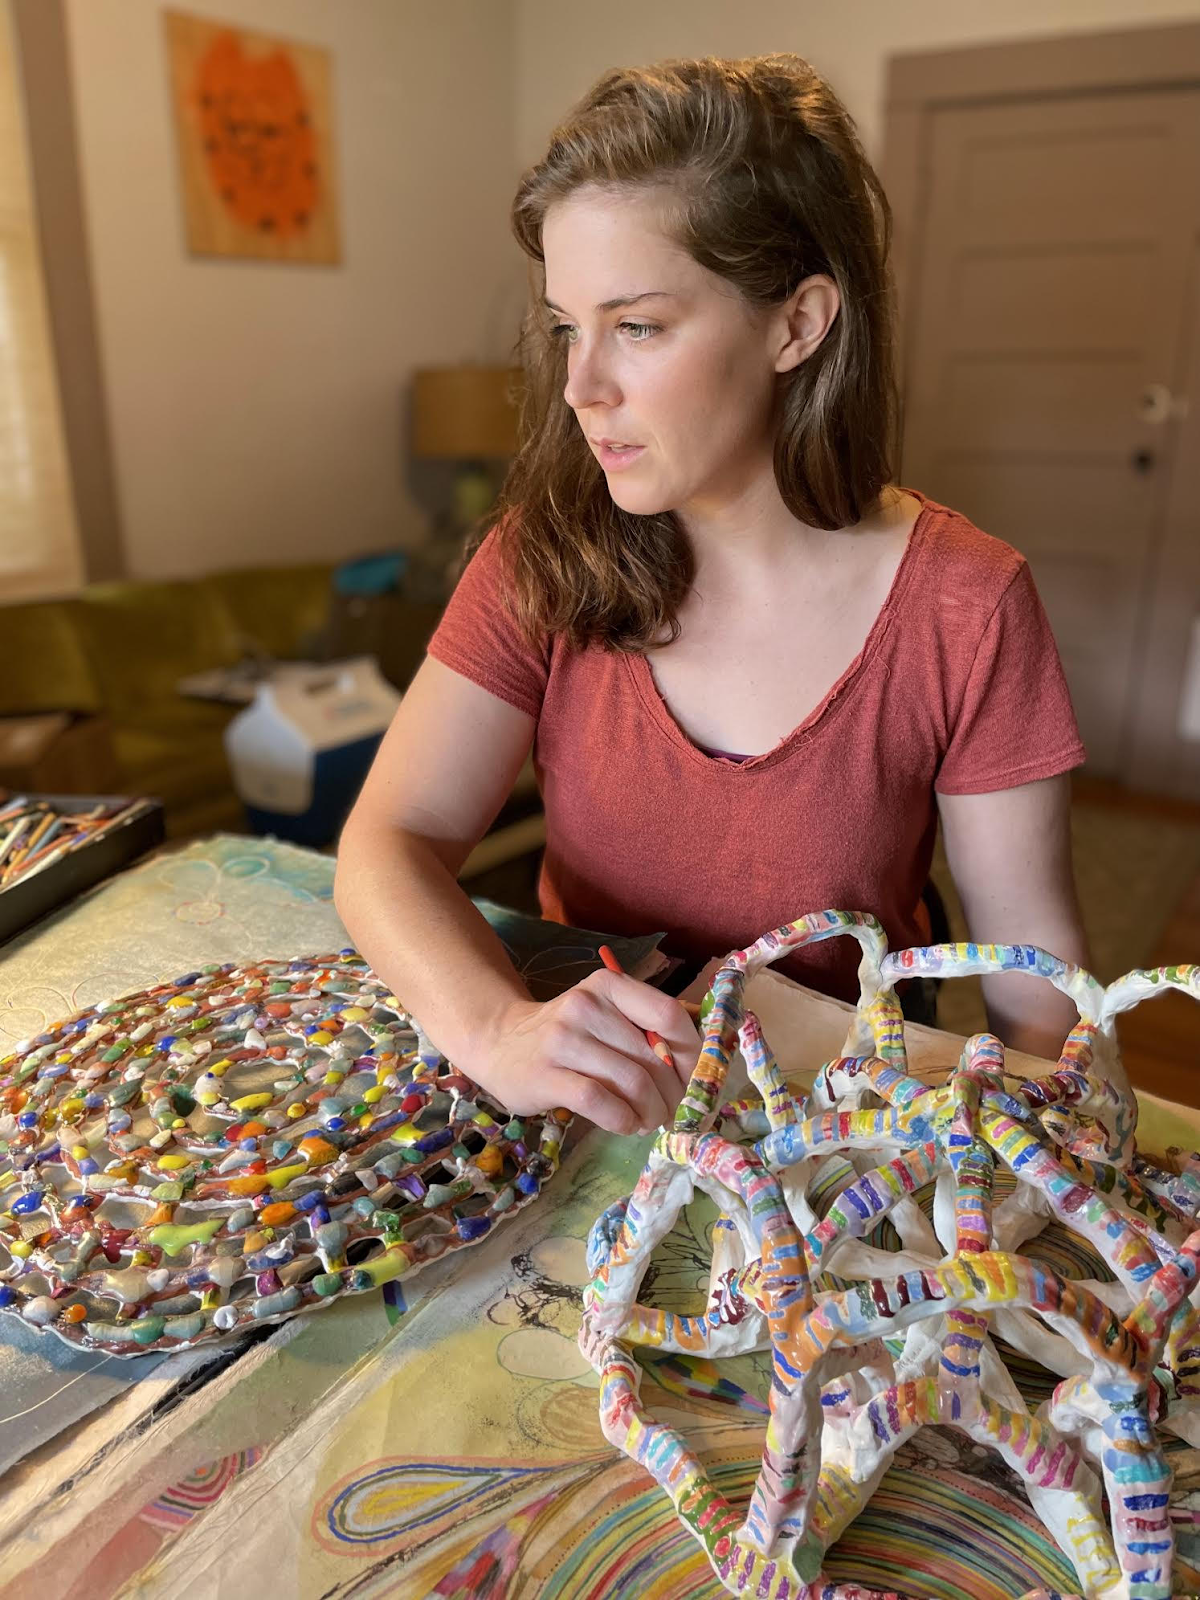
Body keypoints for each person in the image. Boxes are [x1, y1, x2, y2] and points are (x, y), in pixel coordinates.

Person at [334, 53, 1089, 1137]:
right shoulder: (539, 555)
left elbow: (1035, 986)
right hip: (588, 1099)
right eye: (566, 327)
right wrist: (495, 1027)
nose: (581, 387)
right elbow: (389, 841)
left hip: (832, 1121)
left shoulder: (967, 604)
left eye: (637, 326)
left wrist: (1047, 1158)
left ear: (798, 324)